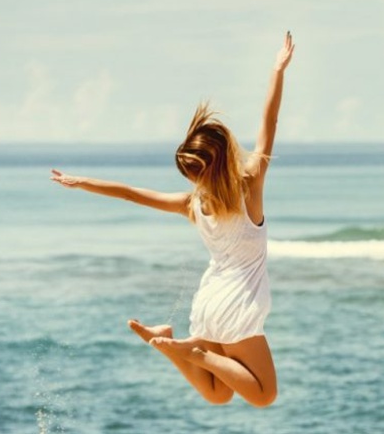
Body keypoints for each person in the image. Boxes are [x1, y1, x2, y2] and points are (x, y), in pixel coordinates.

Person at [49, 33, 295, 407]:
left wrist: (83, 182)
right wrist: (277, 70)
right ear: (225, 153)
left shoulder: (191, 204)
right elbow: (270, 121)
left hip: (209, 300)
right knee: (264, 394)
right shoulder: (249, 187)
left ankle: (166, 342)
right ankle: (194, 353)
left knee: (218, 394)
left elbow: (131, 193)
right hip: (237, 306)